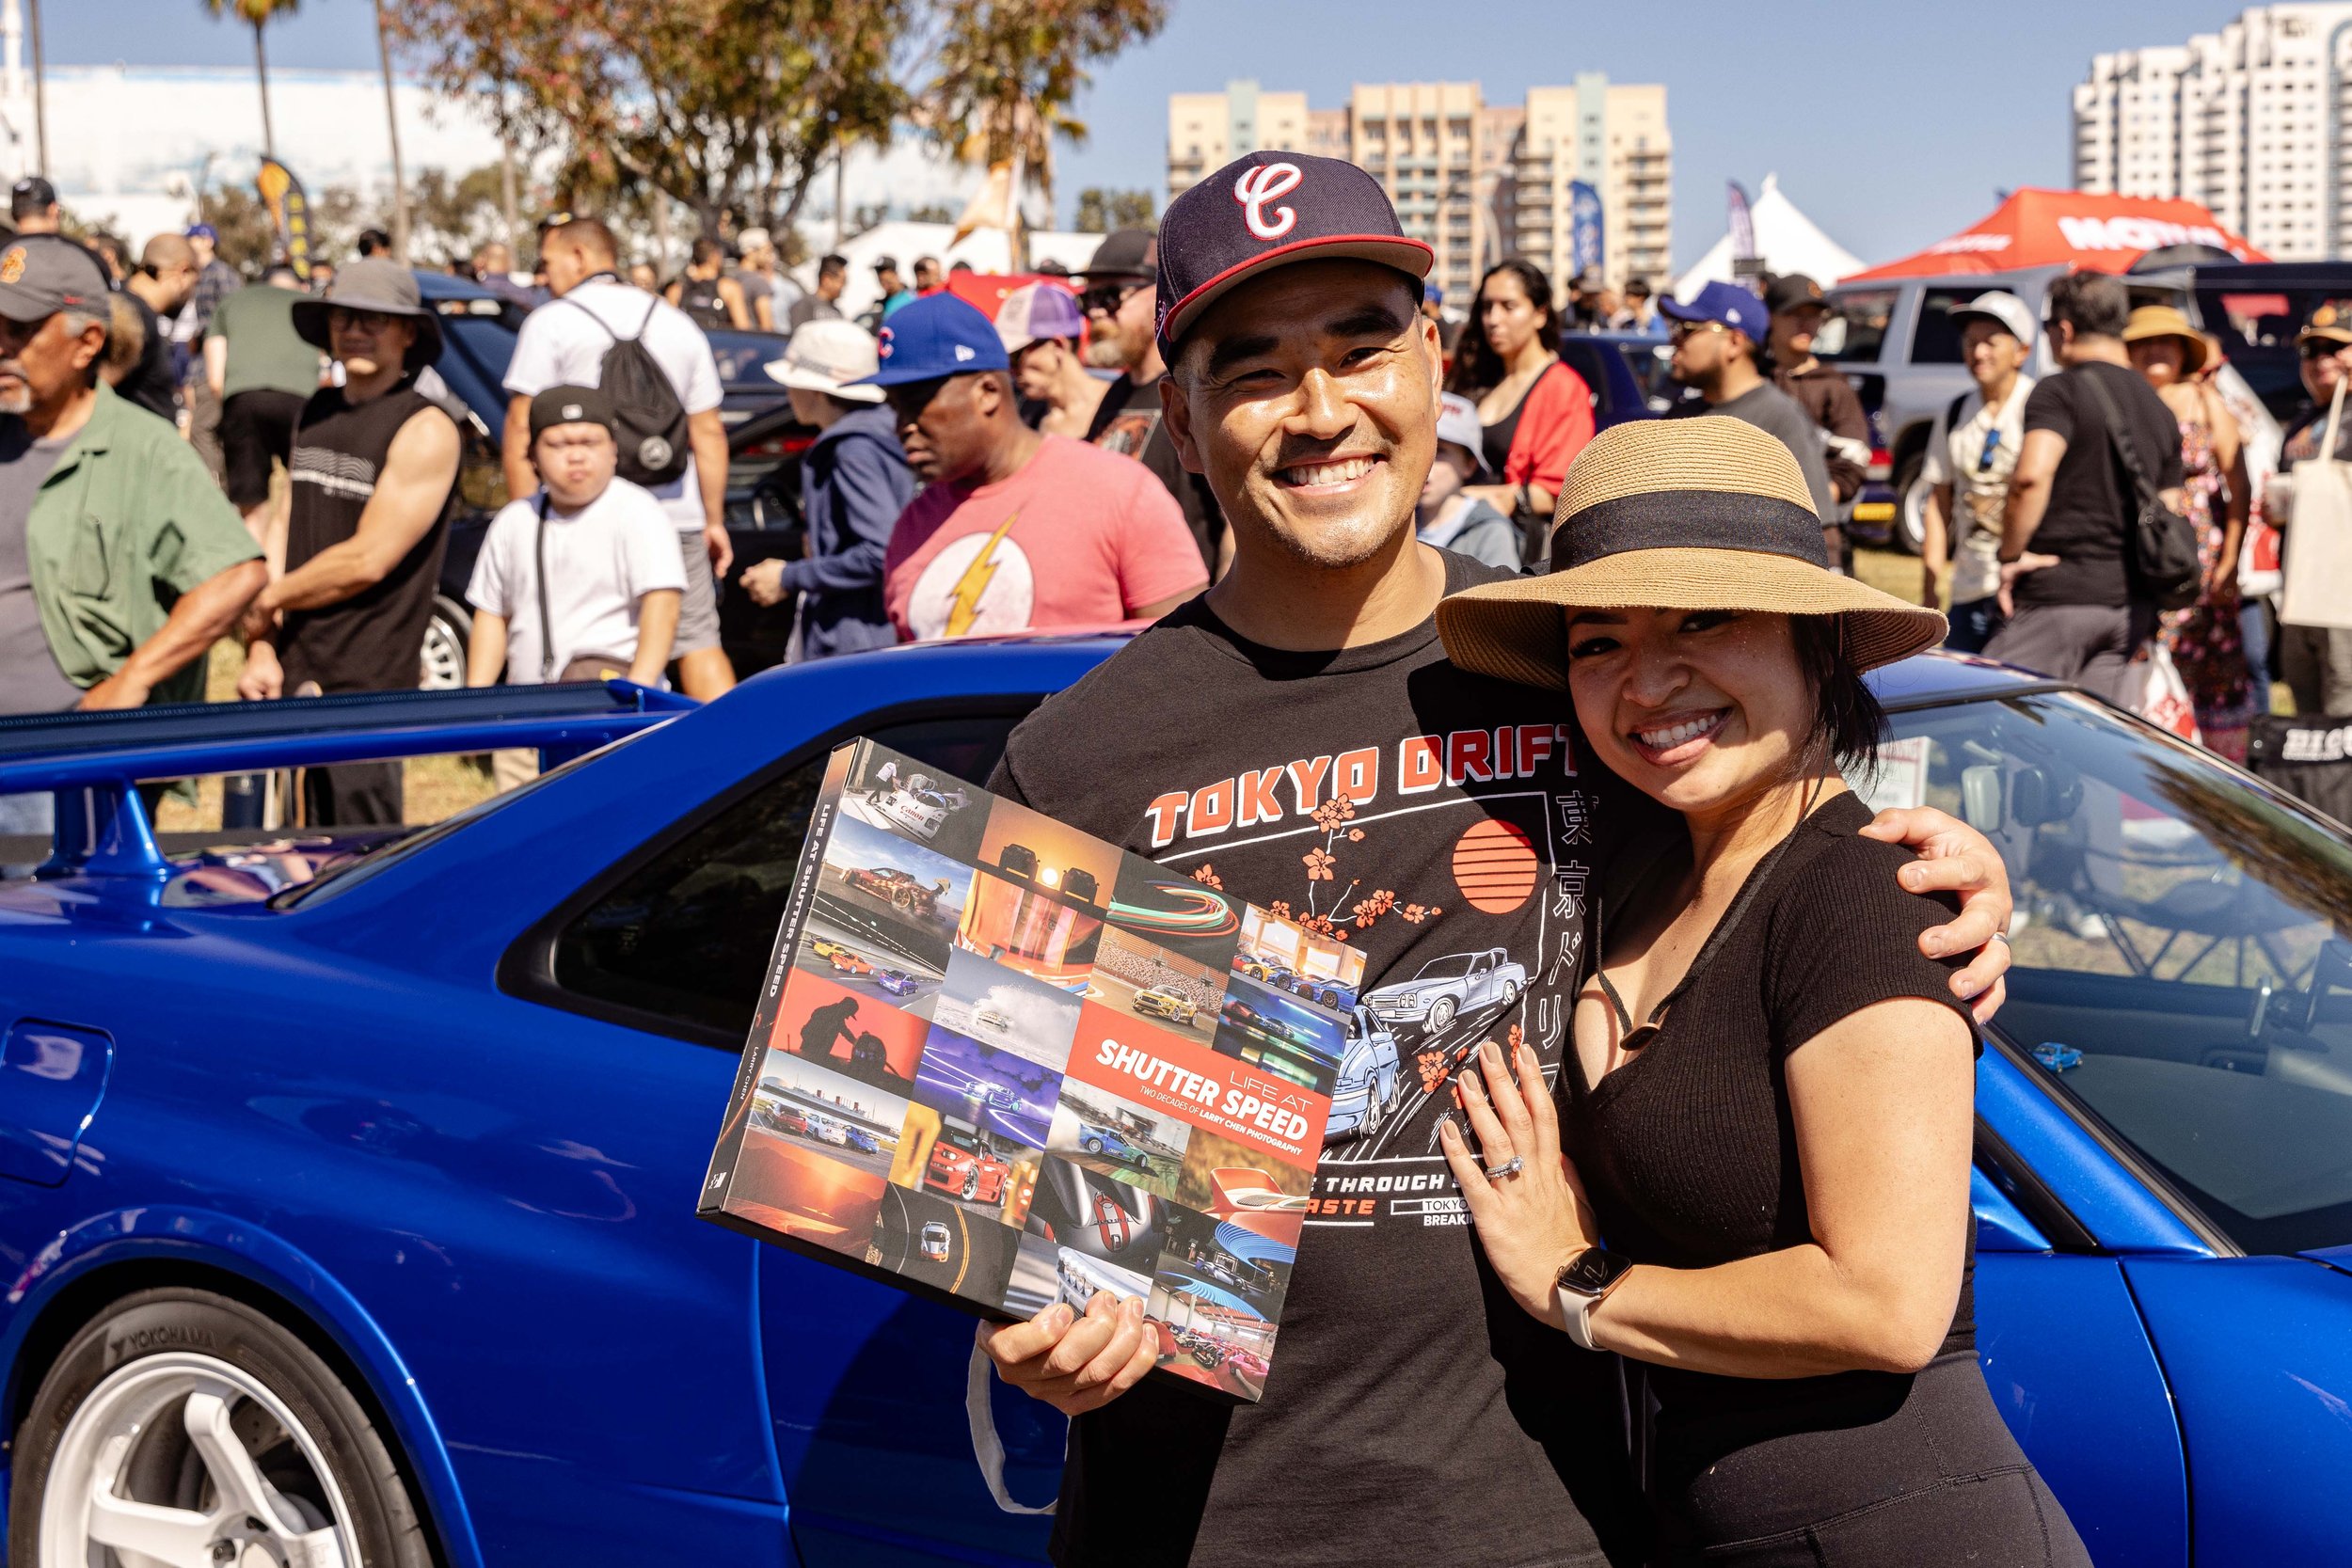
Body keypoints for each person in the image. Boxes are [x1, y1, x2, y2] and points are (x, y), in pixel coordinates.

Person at [973, 150, 2014, 1568]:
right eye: (1258, 370)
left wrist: (1936, 873)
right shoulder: (1073, 758)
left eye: (1361, 348)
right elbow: (1005, 1170)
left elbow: (1770, 883)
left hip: (1556, 1516)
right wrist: (1038, 1326)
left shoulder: (1579, 667)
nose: (1322, 411)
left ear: (1436, 364)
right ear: (1182, 412)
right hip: (1202, 1524)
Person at [1432, 415, 2088, 1568]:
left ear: (1816, 644)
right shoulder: (1627, 871)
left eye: (1702, 617)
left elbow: (1883, 1302)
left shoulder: (1859, 892)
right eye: (1597, 640)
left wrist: (1577, 1282)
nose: (1647, 680)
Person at [0, 238, 265, 838]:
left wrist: (134, 678)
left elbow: (236, 573)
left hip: (58, 769)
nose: (1, 346)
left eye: (18, 330)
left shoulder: (143, 451)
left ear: (86, 343)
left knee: (42, 927)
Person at [237, 259, 461, 826]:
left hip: (368, 678)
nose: (356, 329)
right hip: (291, 663)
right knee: (284, 849)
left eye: (375, 319)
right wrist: (262, 642)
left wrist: (267, 599)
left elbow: (369, 558)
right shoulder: (316, 410)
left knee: (363, 855)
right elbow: (286, 519)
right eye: (344, 317)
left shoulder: (426, 426)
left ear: (408, 333)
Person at [861, 293, 1206, 641]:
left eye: (917, 405)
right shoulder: (909, 527)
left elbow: (1186, 659)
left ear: (988, 392)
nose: (903, 426)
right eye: (895, 410)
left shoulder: (1120, 490)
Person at [501, 215, 735, 699]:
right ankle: (738, 762)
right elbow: (708, 432)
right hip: (677, 514)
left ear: (580, 256)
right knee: (696, 642)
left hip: (582, 517)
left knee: (585, 645)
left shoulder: (552, 323)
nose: (545, 276)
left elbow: (522, 425)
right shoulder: (677, 322)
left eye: (549, 263)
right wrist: (713, 519)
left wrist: (529, 517)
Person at [1988, 271, 2185, 703]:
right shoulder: (2159, 408)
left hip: (2060, 597)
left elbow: (2030, 477)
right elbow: (2169, 509)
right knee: (2083, 742)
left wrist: (2009, 556)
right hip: (2129, 609)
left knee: (1992, 717)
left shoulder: (2059, 392)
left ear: (2065, 330)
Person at [466, 385, 683, 707]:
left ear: (614, 449)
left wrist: (638, 692)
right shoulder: (514, 520)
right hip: (526, 713)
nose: (576, 455)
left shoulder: (639, 512)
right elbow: (492, 614)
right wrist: (476, 703)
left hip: (613, 713)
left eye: (589, 442)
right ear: (533, 455)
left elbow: (663, 605)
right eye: (558, 444)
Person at [2124, 304, 2257, 760]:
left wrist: (2230, 560)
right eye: (2144, 342)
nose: (2155, 350)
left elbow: (2239, 483)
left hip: (2200, 554)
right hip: (2141, 554)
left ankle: (2217, 765)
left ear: (2183, 351)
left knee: (2209, 663)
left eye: (2166, 341)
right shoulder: (2124, 400)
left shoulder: (2205, 400)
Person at [740, 319, 913, 657]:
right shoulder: (880, 432)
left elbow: (879, 552)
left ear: (815, 390)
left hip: (856, 641)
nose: (788, 393)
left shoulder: (852, 449)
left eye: (792, 383)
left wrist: (790, 576)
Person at [1075, 229, 1225, 574]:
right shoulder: (1116, 393)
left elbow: (1235, 526)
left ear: (1158, 294)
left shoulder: (1197, 391)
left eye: (1110, 297)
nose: (1096, 314)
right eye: (1088, 301)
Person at [1661, 281, 1839, 556]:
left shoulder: (1779, 418)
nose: (1675, 340)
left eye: (1688, 329)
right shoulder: (1679, 415)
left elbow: (1820, 532)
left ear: (1734, 343)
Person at [1447, 257, 1595, 567]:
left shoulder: (1563, 387)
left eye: (1508, 306)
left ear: (1540, 314)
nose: (1493, 319)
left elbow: (1558, 492)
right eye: (1487, 307)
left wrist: (1477, 498)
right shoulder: (1478, 380)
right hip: (1454, 541)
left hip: (1513, 554)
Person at [1919, 291, 2037, 654]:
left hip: (2023, 591)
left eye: (1991, 341)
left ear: (2022, 351)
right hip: (1967, 589)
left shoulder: (2039, 408)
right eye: (1970, 341)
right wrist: (1930, 583)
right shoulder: (1955, 412)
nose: (1978, 352)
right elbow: (1939, 503)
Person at [2258, 303, 2352, 715]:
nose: (2321, 360)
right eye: (2311, 351)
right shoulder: (2300, 424)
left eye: (2335, 348)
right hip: (2299, 591)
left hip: (2344, 597)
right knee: (2307, 712)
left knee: (2344, 707)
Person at [207, 261, 323, 541]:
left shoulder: (231, 303)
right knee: (300, 492)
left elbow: (214, 378)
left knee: (251, 505)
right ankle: (289, 562)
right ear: (299, 285)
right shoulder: (311, 304)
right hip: (302, 401)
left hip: (242, 399)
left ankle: (258, 570)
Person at [1766, 273, 1870, 562]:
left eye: (1813, 315)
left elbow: (1854, 459)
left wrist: (1818, 501)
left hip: (1818, 532)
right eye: (1794, 313)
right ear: (1771, 317)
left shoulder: (1834, 385)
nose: (1805, 323)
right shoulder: (1756, 382)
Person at [1417, 390, 1518, 569]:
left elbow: (1506, 596)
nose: (1425, 461)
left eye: (1440, 452)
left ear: (1469, 465)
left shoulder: (1489, 531)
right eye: (1419, 446)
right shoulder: (1398, 521)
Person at [994, 280, 1104, 438]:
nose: (1011, 370)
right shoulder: (1022, 414)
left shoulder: (1119, 405)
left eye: (1016, 356)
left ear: (1058, 346)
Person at [118, 233, 200, 424]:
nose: (191, 294)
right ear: (183, 271)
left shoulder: (131, 309)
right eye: (194, 283)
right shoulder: (133, 319)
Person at [668, 236, 751, 331]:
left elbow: (670, 330)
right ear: (715, 256)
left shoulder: (676, 291)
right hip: (719, 345)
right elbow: (743, 329)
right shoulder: (729, 288)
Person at [733, 227, 793, 331]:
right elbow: (767, 328)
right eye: (767, 251)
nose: (770, 257)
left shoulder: (730, 279)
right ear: (751, 252)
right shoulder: (759, 283)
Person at [787, 253, 848, 332]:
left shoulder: (838, 312)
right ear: (827, 280)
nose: (843, 286)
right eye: (842, 281)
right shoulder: (804, 305)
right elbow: (799, 339)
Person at [870, 256, 915, 322]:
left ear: (895, 274)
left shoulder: (911, 297)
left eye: (887, 280)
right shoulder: (880, 304)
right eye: (878, 272)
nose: (881, 275)